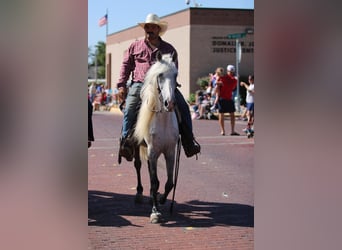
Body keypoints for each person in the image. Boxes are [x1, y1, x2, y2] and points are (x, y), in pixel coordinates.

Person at [116, 13, 201, 161]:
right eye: (147, 27)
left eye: (153, 27)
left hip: (163, 85)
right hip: (140, 84)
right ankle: (126, 143)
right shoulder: (135, 46)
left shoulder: (169, 49)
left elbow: (174, 71)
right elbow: (126, 66)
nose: (149, 29)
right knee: (130, 107)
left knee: (183, 106)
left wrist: (171, 84)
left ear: (158, 29)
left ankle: (189, 142)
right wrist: (121, 85)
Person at [214, 65, 240, 136]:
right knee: (232, 115)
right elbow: (233, 87)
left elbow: (217, 83)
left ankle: (223, 131)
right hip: (228, 98)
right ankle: (232, 130)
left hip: (222, 98)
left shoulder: (223, 78)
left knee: (221, 114)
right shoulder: (234, 80)